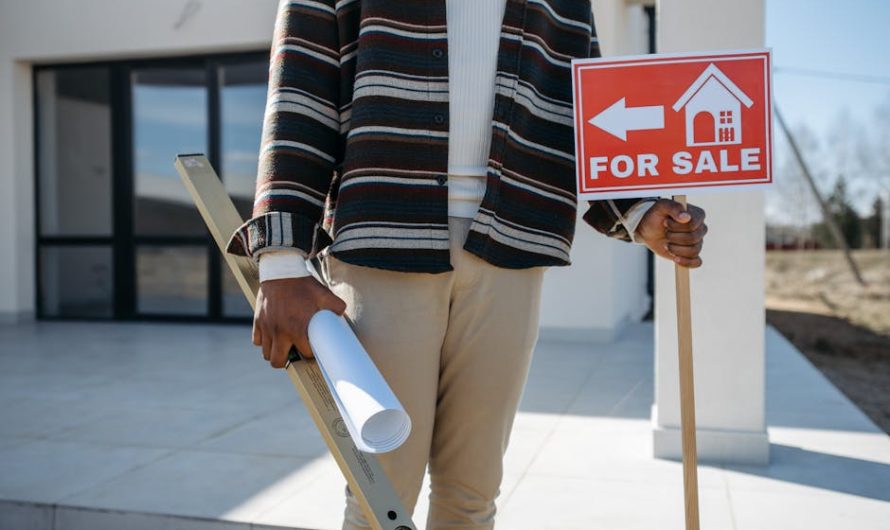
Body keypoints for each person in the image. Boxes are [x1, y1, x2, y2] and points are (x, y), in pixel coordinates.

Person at [226, 1, 707, 529]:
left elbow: (582, 100)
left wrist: (636, 211)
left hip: (511, 247)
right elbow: (303, 83)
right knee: (379, 499)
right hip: (386, 240)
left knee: (473, 496)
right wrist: (280, 259)